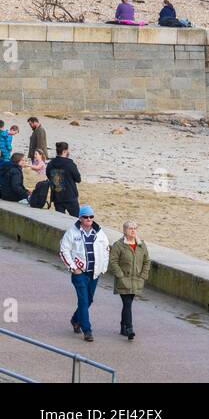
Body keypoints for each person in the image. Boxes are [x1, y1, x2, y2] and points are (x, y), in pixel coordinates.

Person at [59, 205, 110, 343]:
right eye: (86, 217)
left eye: (91, 217)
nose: (88, 219)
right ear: (80, 218)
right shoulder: (72, 232)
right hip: (79, 274)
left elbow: (106, 251)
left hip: (94, 273)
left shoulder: (100, 233)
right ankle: (87, 330)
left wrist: (103, 268)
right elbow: (64, 250)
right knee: (83, 300)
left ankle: (75, 319)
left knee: (89, 300)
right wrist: (73, 267)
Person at [108, 220, 150, 340]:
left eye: (135, 228)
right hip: (123, 281)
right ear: (124, 230)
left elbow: (147, 261)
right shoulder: (118, 245)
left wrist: (143, 275)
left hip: (137, 280)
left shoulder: (141, 245)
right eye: (130, 228)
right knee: (127, 304)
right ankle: (130, 328)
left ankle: (123, 327)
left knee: (128, 304)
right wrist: (120, 275)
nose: (133, 231)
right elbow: (113, 261)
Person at [46, 142, 82, 217]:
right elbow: (78, 179)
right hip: (70, 196)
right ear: (65, 151)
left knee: (60, 220)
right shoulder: (70, 164)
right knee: (76, 220)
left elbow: (49, 176)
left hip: (57, 196)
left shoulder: (50, 164)